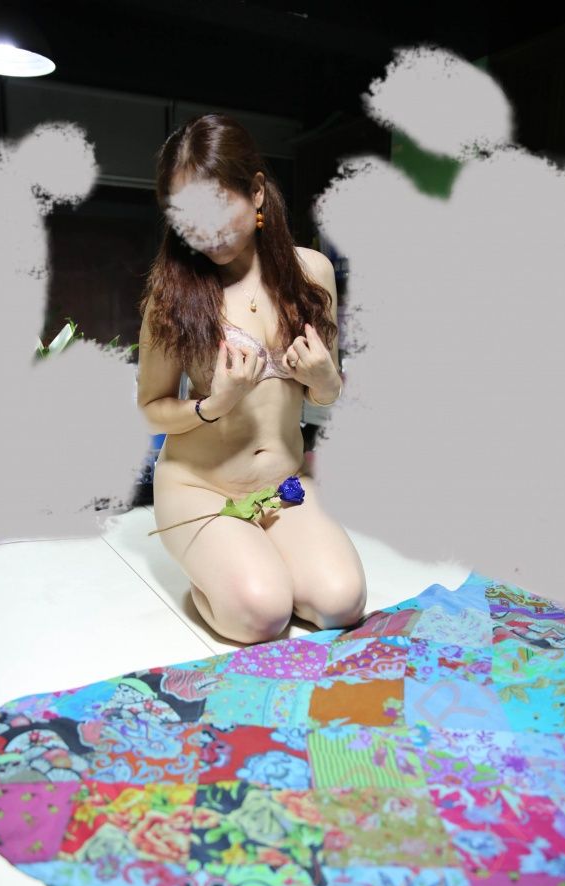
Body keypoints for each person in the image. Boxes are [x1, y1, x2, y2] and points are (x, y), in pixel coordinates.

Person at [137, 112, 367, 645]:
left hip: (282, 488)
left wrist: (325, 378)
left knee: (341, 604)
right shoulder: (171, 296)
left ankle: (255, 557)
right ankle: (217, 573)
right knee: (262, 615)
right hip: (199, 487)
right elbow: (151, 407)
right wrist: (213, 404)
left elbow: (325, 396)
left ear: (257, 192)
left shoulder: (312, 274)